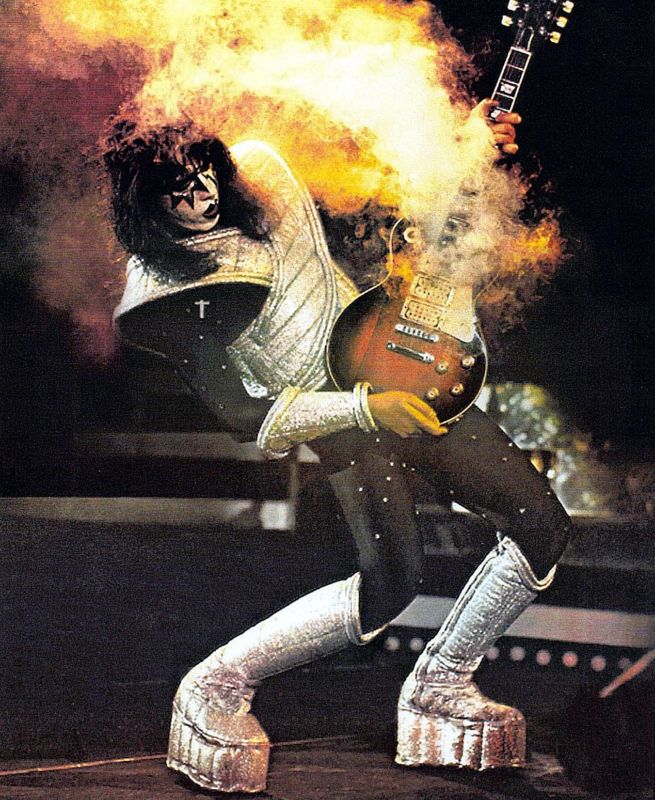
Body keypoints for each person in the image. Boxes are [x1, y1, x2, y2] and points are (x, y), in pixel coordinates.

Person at [105, 100, 571, 793]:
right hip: (338, 416)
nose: (200, 195)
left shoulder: (260, 176)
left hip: (396, 363)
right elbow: (246, 417)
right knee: (390, 584)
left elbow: (372, 194)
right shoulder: (165, 293)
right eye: (177, 187)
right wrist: (363, 408)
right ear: (145, 202)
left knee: (542, 525)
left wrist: (465, 149)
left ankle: (442, 684)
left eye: (204, 172)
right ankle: (216, 685)